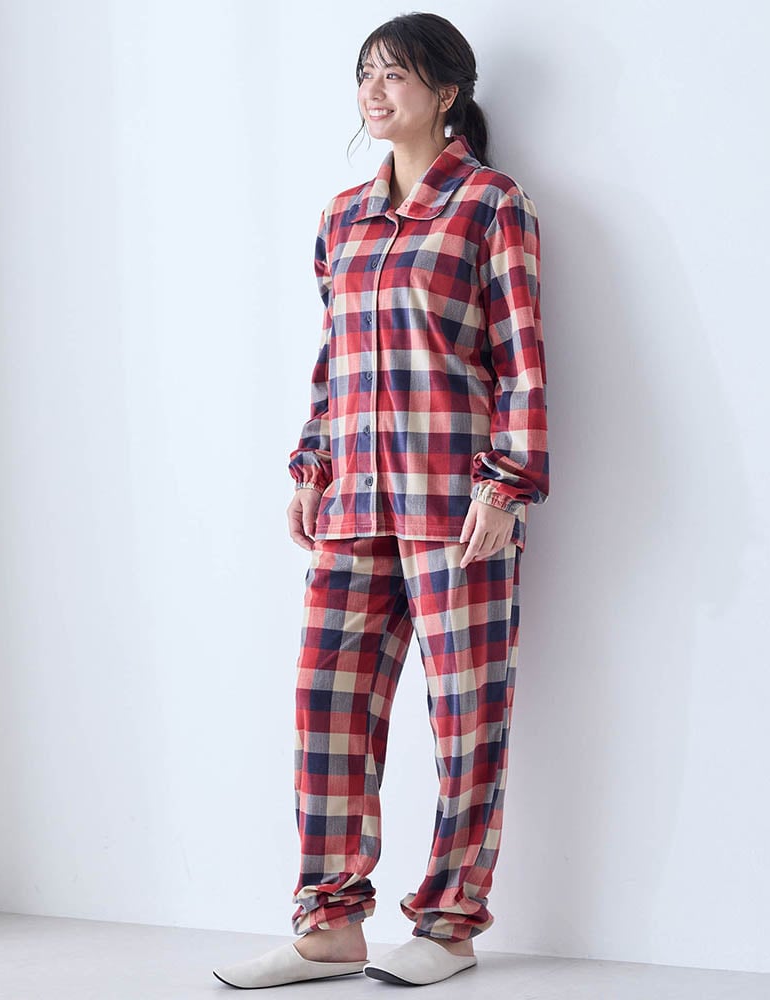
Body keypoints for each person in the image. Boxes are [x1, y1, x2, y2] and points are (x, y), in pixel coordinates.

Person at [213, 11, 549, 990]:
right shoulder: (342, 219)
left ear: (446, 92)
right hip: (355, 498)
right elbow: (336, 361)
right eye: (365, 72)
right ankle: (329, 926)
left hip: (456, 505)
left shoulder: (490, 204)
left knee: (466, 716)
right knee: (327, 703)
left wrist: (508, 482)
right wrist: (310, 464)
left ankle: (449, 924)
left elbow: (520, 357)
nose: (373, 90)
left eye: (395, 74)